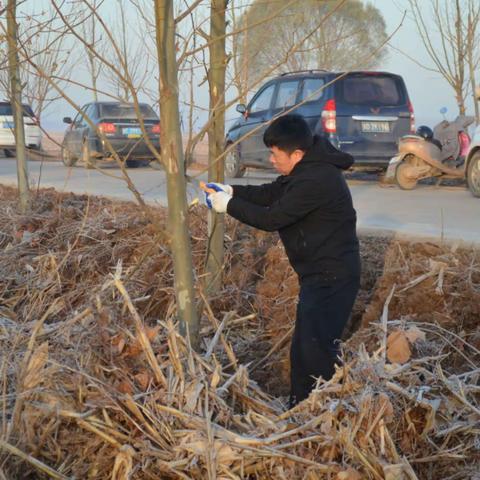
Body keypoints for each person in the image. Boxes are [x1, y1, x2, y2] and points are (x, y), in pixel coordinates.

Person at [206, 114, 360, 407]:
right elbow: (271, 192)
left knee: (314, 350)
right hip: (319, 274)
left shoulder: (317, 180)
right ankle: (301, 407)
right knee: (304, 347)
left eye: (276, 154)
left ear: (297, 154)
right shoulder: (305, 169)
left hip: (333, 277)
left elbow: (272, 217)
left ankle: (315, 412)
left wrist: (228, 207)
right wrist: (233, 191)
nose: (271, 159)